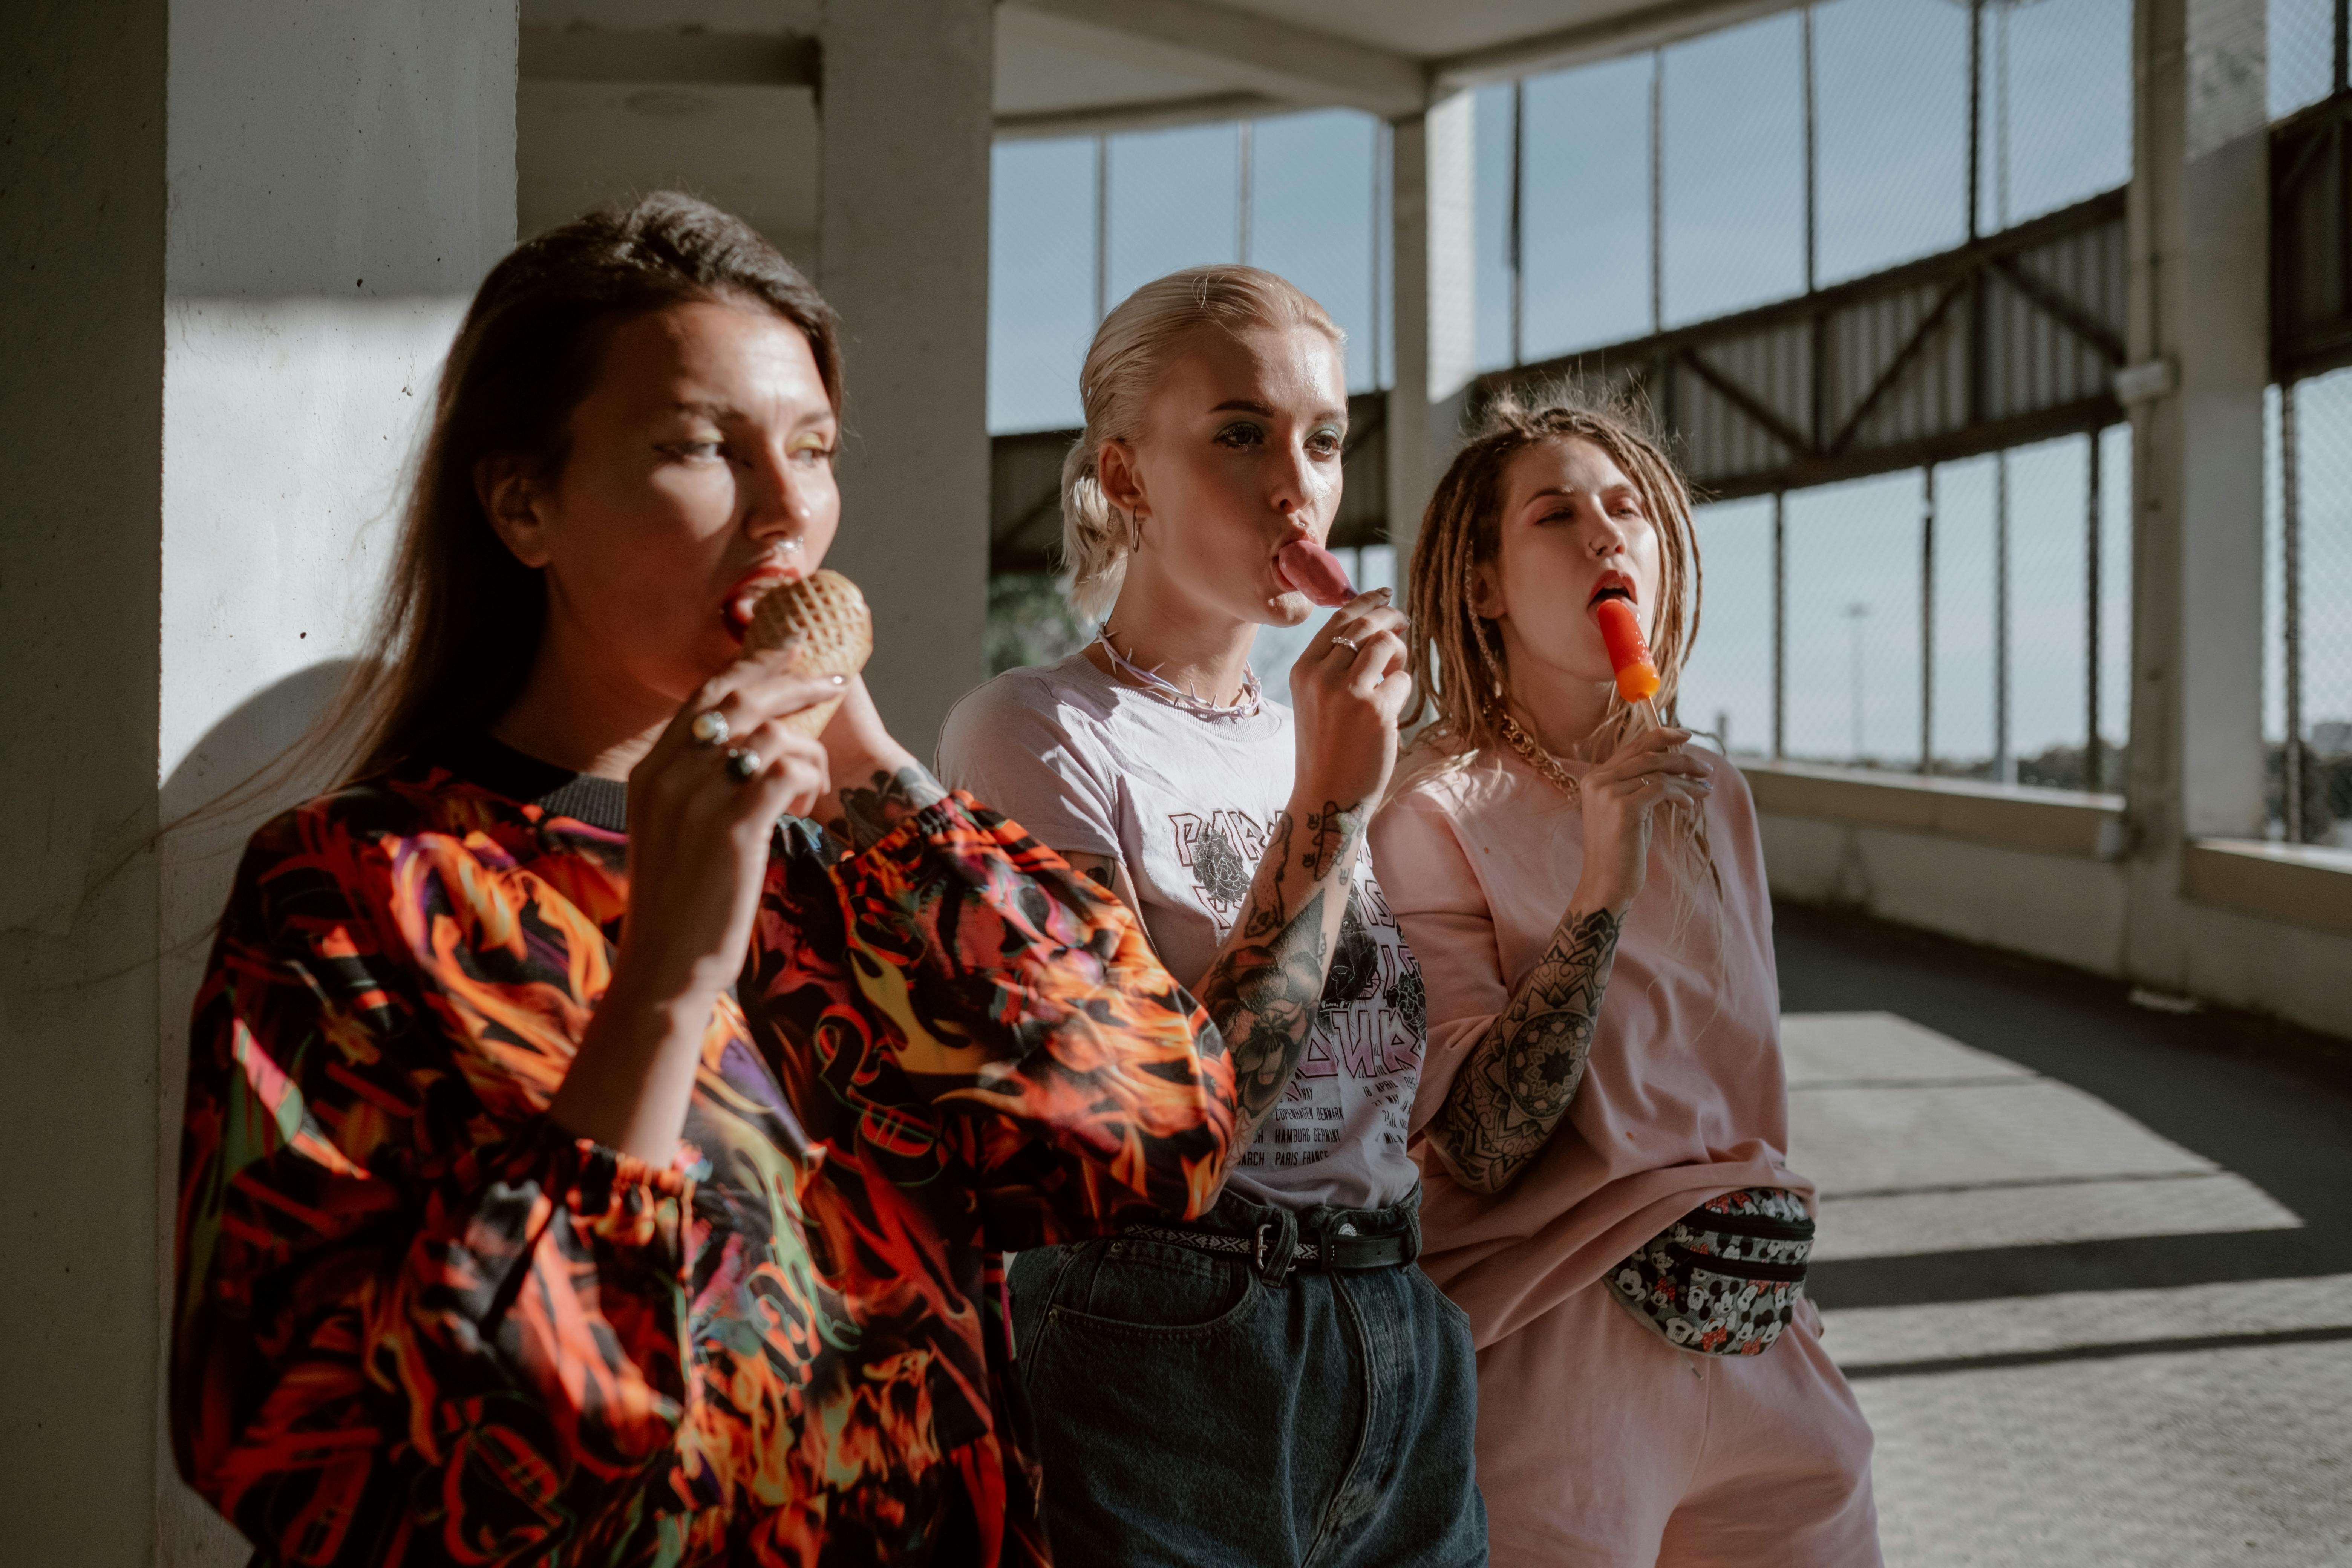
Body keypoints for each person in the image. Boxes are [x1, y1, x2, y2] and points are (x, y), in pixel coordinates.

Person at [169, 193, 1240, 1568]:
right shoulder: (363, 890)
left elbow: (1160, 1138)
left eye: (813, 448)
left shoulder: (868, 873)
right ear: (523, 503)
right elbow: (313, 1468)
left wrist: (873, 773)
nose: (791, 510)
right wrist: (666, 984)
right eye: (697, 448)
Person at [937, 266, 1485, 1567]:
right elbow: (1170, 1120)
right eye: (1239, 433)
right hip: (1171, 1339)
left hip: (1396, 1329)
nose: (1299, 485)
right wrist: (1333, 807)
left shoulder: (1341, 740)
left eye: (1326, 438)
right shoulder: (1034, 732)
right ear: (1125, 477)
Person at [1368, 390, 1880, 1567]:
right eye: (1555, 515)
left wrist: (1793, 1307)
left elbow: (1740, 1088)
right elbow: (1484, 1142)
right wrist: (1604, 877)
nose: (1607, 535)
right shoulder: (1429, 805)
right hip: (1559, 1344)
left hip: (1761, 1334)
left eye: (1629, 508)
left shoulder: (1715, 794)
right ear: (1485, 584)